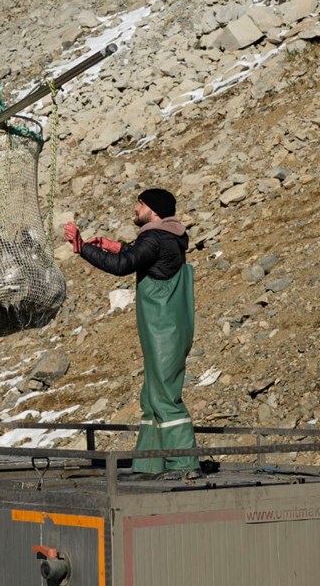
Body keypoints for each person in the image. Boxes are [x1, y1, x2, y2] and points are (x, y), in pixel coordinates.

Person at [64, 188, 201, 481]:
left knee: (164, 395)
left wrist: (81, 247)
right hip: (167, 327)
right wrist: (117, 245)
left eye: (140, 203)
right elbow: (143, 257)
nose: (135, 208)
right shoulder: (168, 236)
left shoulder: (154, 237)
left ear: (153, 209)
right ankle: (151, 463)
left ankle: (184, 463)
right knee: (152, 396)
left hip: (163, 328)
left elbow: (122, 267)